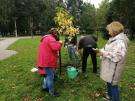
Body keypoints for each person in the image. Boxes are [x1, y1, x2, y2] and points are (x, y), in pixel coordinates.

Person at [93, 21, 129, 101]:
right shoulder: (114, 39)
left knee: (113, 85)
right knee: (109, 82)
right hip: (110, 67)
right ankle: (109, 96)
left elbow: (116, 57)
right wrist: (100, 51)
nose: (108, 32)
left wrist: (102, 53)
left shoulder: (120, 41)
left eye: (109, 30)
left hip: (114, 69)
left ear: (114, 30)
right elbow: (108, 49)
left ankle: (115, 98)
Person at [37, 28, 63, 97]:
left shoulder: (46, 38)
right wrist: (60, 43)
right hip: (48, 61)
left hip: (44, 60)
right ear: (55, 34)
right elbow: (55, 48)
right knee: (50, 77)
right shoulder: (51, 38)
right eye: (57, 35)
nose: (58, 37)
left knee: (47, 75)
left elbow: (50, 48)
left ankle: (45, 87)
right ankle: (52, 92)